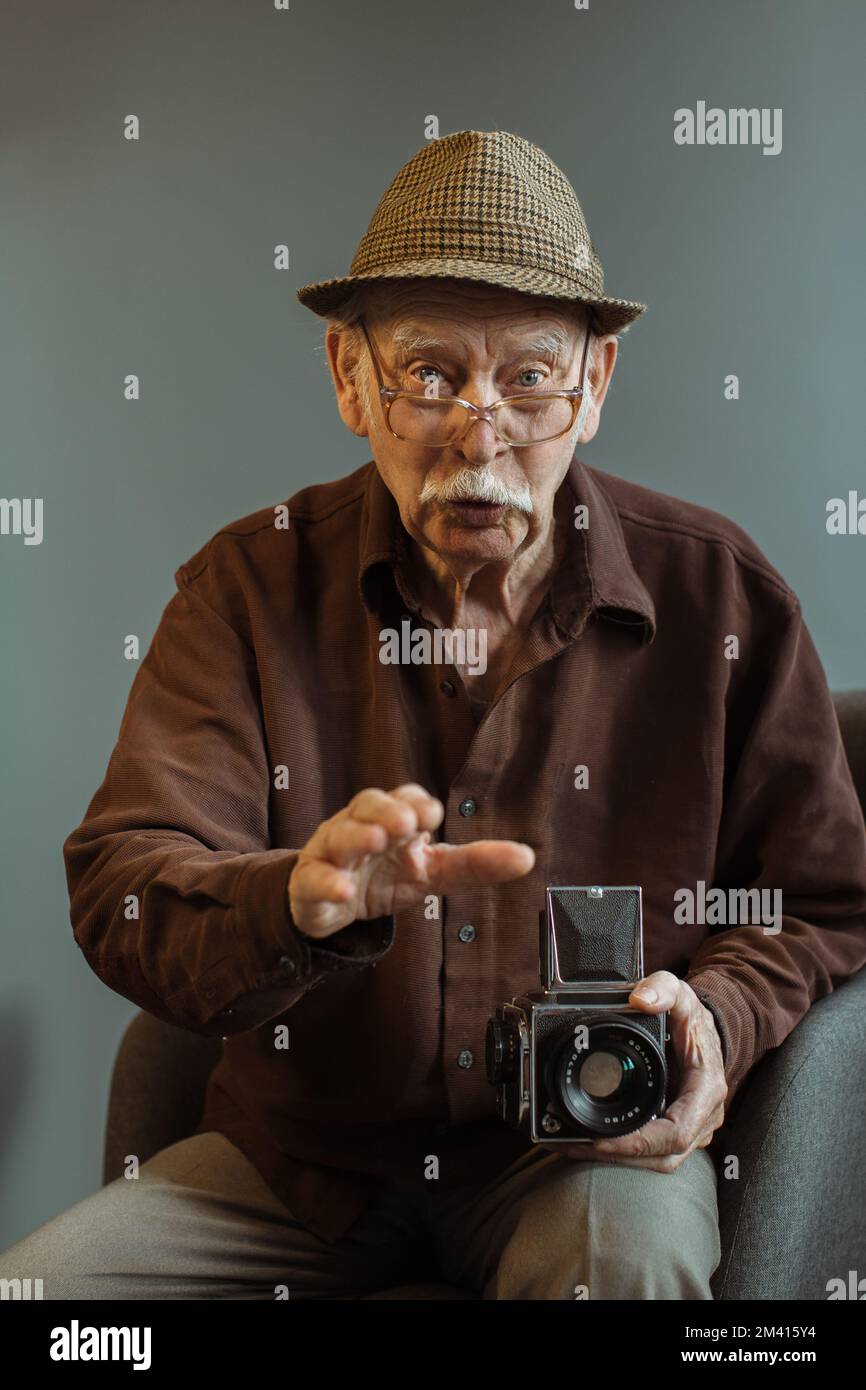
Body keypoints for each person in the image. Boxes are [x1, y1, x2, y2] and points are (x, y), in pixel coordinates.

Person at [2, 130, 864, 1301]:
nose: (479, 430)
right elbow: (122, 887)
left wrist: (712, 1015)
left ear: (594, 385)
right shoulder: (244, 592)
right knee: (52, 1308)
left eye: (528, 376)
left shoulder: (723, 597)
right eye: (426, 374)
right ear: (350, 379)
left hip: (584, 1149)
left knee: (619, 1272)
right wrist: (295, 902)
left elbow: (821, 899)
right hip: (298, 1167)